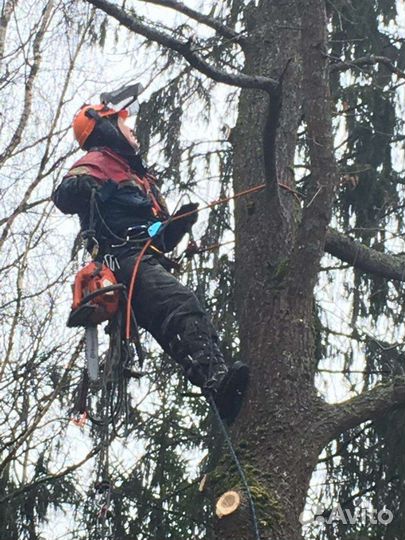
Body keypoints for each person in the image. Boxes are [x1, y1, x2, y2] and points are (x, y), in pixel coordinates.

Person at [52, 102, 248, 422]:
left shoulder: (141, 179)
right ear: (107, 128)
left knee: (172, 324)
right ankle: (217, 379)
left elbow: (155, 236)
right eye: (125, 126)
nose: (132, 132)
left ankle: (216, 388)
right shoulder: (100, 161)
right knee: (180, 304)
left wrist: (175, 226)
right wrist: (82, 186)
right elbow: (64, 195)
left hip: (141, 259)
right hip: (122, 260)